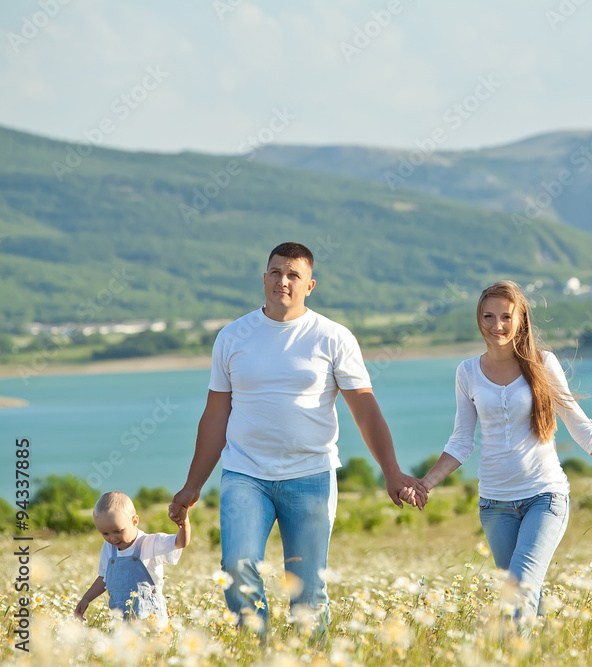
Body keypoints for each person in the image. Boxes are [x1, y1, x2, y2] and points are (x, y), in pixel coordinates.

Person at [168, 242, 426, 632]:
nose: (282, 281)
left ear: (310, 285)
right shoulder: (232, 336)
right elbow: (215, 416)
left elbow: (365, 410)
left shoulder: (333, 337)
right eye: (275, 272)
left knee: (307, 591)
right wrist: (192, 485)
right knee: (236, 570)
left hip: (311, 476)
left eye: (293, 275)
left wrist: (391, 471)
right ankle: (257, 652)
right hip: (244, 475)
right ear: (265, 277)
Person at [413, 280, 592, 617]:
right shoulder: (467, 372)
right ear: (479, 320)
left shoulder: (543, 363)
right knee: (522, 602)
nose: (497, 325)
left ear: (520, 320)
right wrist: (425, 484)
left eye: (506, 317)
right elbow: (462, 440)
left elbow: (578, 424)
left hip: (544, 497)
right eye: (489, 316)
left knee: (518, 595)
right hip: (494, 505)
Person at [75, 491, 190, 622]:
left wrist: (184, 523)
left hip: (151, 621)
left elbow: (181, 543)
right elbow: (103, 578)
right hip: (120, 623)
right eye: (105, 533)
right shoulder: (109, 549)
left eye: (118, 531)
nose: (112, 538)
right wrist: (86, 598)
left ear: (134, 521)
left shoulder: (150, 543)